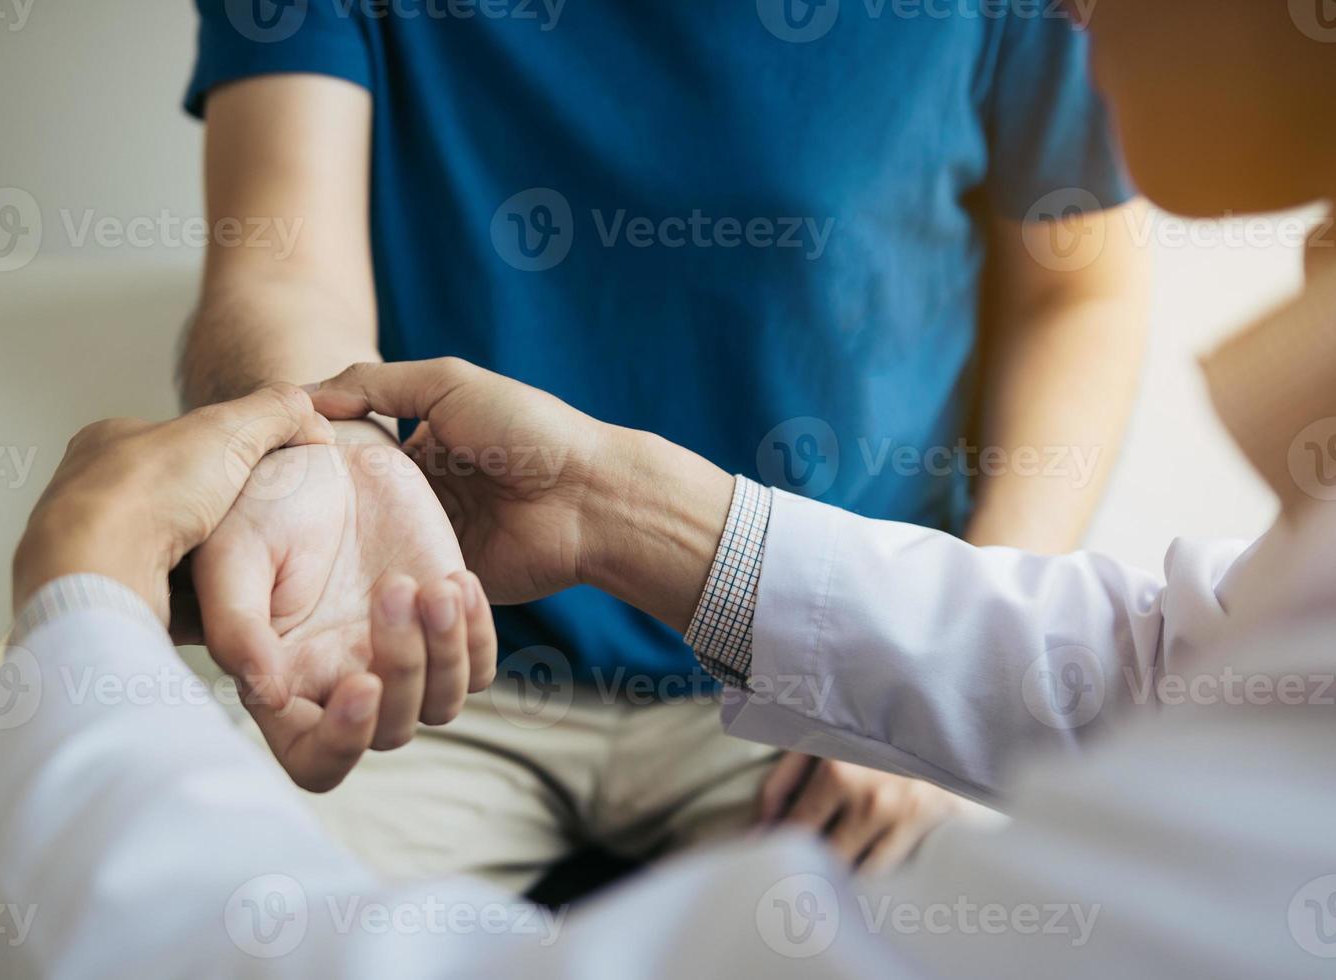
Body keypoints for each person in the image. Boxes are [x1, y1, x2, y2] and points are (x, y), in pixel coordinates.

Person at [0, 6, 1336, 974]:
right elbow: (1169, 655)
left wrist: (85, 615)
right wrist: (626, 512)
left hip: (767, 737)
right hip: (450, 661)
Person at [178, 0, 1148, 880]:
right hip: (428, 655)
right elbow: (278, 266)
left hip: (826, 663)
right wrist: (321, 459)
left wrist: (941, 670)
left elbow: (1080, 292)